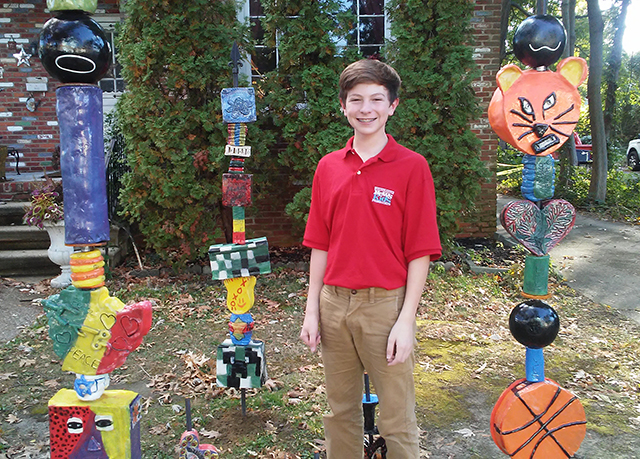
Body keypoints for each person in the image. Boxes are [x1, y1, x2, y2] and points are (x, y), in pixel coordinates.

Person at [300, 58, 442, 459]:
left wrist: (406, 320)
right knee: (338, 412)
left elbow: (420, 251)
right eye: (356, 99)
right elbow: (320, 244)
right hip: (333, 304)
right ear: (343, 106)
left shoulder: (412, 167)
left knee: (396, 417)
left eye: (377, 99)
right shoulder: (328, 167)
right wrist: (312, 311)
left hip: (385, 306)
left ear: (392, 105)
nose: (366, 109)